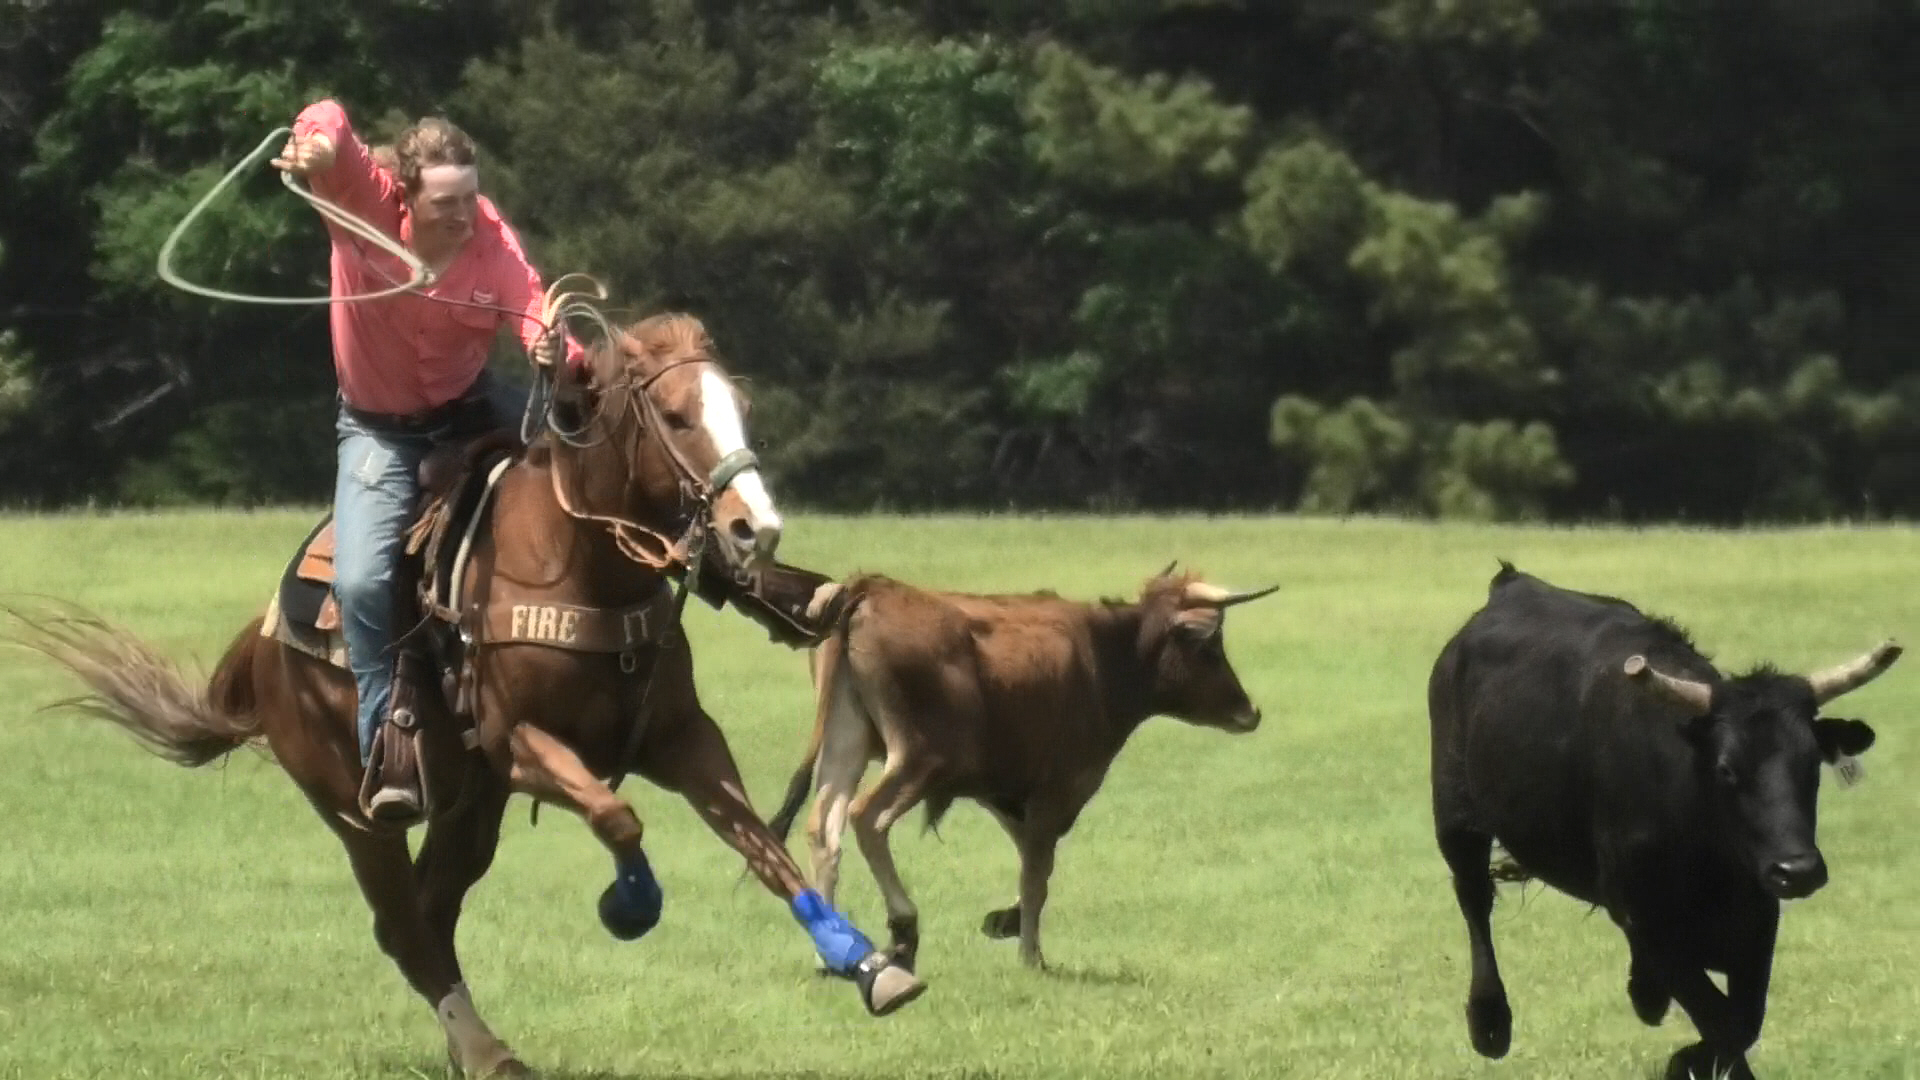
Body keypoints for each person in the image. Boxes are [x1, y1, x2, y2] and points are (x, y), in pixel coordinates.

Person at [273, 98, 580, 822]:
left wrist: (554, 347)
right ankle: (388, 738)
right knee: (361, 578)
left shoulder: (488, 239)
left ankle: (734, 572)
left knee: (591, 451)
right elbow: (330, 120)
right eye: (446, 202)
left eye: (472, 197)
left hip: (470, 404)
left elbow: (531, 302)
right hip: (379, 431)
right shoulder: (360, 204)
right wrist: (317, 145)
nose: (465, 214)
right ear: (404, 194)